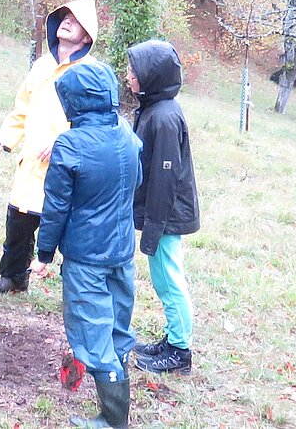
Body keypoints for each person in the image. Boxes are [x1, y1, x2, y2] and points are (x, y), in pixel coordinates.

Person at [30, 62, 142, 429]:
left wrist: (43, 254)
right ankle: (116, 397)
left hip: (87, 258)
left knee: (94, 332)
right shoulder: (126, 132)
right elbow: (135, 181)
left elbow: (55, 206)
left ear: (73, 102)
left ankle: (112, 419)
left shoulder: (71, 145)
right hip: (122, 253)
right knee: (117, 328)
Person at [0, 0, 98, 293]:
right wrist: (2, 141)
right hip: (31, 161)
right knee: (18, 221)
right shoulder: (42, 66)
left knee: (68, 228)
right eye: (65, 17)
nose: (68, 22)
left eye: (75, 20)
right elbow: (21, 108)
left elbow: (93, 120)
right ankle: (13, 277)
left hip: (67, 165)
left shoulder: (90, 72)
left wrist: (63, 143)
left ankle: (75, 287)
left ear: (87, 35)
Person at [126, 39, 199, 375]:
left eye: (134, 70)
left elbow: (165, 180)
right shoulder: (154, 108)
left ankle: (180, 352)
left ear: (152, 76)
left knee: (169, 280)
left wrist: (153, 226)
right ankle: (172, 339)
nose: (128, 75)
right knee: (163, 279)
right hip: (162, 214)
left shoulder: (165, 118)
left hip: (167, 215)